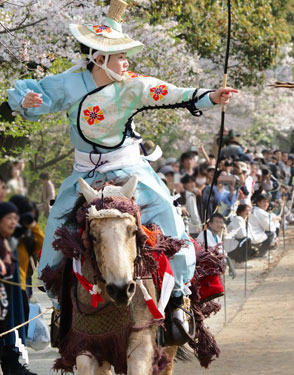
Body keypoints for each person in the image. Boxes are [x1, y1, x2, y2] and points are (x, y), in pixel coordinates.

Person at [7, 0, 237, 306]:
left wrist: (210, 96)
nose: (126, 63)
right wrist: (28, 101)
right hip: (84, 176)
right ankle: (62, 307)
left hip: (130, 170)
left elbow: (173, 93)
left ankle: (179, 298)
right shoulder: (70, 83)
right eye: (120, 57)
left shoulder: (133, 86)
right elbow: (35, 92)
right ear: (99, 58)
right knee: (56, 228)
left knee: (167, 213)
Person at [0, 202, 36, 375]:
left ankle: (11, 364)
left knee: (11, 325)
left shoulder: (8, 242)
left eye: (16, 218)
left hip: (10, 295)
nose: (13, 222)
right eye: (9, 218)